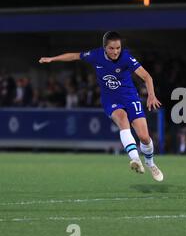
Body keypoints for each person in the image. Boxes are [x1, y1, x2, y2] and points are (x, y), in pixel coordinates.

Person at [39, 31, 164, 182]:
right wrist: (53, 59)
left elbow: (146, 76)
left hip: (130, 98)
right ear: (105, 47)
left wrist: (151, 95)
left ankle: (150, 163)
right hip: (110, 99)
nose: (115, 51)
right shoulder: (95, 55)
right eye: (112, 48)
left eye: (118, 48)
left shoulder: (126, 57)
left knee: (144, 137)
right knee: (122, 119)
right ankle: (136, 159)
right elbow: (74, 56)